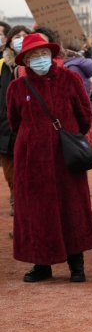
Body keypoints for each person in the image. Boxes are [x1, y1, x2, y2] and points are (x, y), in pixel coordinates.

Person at [7, 33, 92, 282]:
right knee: (37, 211)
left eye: (43, 53)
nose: (39, 59)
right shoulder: (17, 86)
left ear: (52, 55)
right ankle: (41, 264)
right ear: (25, 60)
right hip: (31, 159)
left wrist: (67, 137)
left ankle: (76, 263)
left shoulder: (70, 78)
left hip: (65, 156)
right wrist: (33, 139)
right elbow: (15, 122)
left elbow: (84, 114)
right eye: (33, 55)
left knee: (72, 207)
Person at [1, 26, 30, 228]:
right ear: (10, 43)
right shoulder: (3, 65)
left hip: (29, 133)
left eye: (24, 36)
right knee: (13, 180)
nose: (20, 40)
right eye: (16, 37)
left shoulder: (36, 65)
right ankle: (20, 218)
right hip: (6, 132)